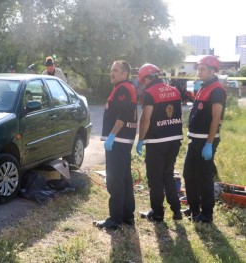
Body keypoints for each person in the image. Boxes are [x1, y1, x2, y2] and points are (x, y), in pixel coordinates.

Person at [93, 60, 137, 231]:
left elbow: (123, 115)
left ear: (125, 73)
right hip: (122, 141)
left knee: (115, 181)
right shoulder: (125, 87)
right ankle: (127, 216)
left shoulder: (123, 89)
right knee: (124, 180)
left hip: (118, 141)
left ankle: (115, 219)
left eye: (116, 70)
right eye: (111, 69)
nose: (112, 72)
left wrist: (112, 135)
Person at [136, 63, 183, 222]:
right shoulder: (175, 90)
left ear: (147, 78)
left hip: (156, 141)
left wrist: (140, 140)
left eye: (142, 81)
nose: (142, 84)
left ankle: (157, 213)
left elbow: (145, 119)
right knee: (168, 175)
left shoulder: (150, 93)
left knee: (155, 178)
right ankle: (177, 211)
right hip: (175, 140)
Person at [182, 55, 226, 223]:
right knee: (188, 174)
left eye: (203, 69)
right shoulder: (203, 86)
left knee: (204, 177)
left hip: (205, 141)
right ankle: (194, 208)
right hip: (194, 139)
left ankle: (206, 214)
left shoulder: (217, 89)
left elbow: (216, 118)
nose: (199, 72)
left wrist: (209, 144)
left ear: (212, 70)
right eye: (198, 69)